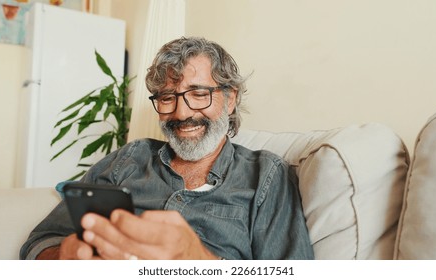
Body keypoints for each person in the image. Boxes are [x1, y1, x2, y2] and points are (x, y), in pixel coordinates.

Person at [20, 37, 314, 260]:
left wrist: (197, 260)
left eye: (198, 94)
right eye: (167, 98)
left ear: (230, 98)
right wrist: (66, 256)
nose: (182, 113)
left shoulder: (266, 175)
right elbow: (40, 241)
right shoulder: (130, 158)